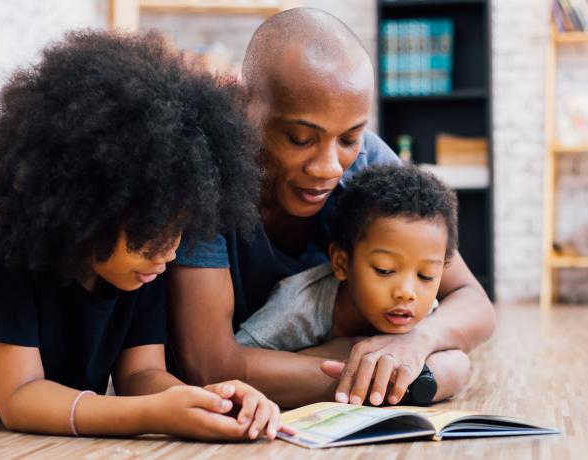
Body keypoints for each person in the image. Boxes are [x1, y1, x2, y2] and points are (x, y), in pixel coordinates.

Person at [0, 30, 290, 441]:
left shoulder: (143, 261)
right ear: (87, 203)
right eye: (151, 231)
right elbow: (20, 396)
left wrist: (211, 403)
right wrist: (153, 415)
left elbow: (142, 374)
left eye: (180, 229)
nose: (168, 252)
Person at [166, 8, 496, 408]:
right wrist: (394, 377)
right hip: (243, 378)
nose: (328, 167)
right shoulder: (204, 176)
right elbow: (209, 366)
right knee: (451, 368)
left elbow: (472, 300)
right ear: (243, 106)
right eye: (301, 138)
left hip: (289, 375)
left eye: (349, 137)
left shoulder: (368, 161)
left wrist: (417, 342)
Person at [235, 165, 471, 404]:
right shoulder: (298, 306)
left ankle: (398, 390)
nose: (407, 293)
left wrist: (412, 356)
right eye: (385, 270)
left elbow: (460, 364)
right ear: (341, 264)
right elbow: (235, 361)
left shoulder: (423, 310)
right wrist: (342, 350)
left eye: (426, 276)